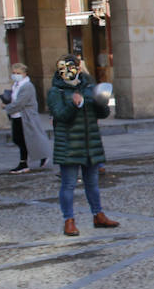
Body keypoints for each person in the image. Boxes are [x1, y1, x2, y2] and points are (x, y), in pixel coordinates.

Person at [47, 54, 119, 237]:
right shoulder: (57, 91)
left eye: (72, 68)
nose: (67, 72)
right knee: (69, 184)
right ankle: (69, 220)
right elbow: (61, 115)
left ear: (79, 68)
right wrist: (74, 105)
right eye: (63, 69)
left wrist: (102, 103)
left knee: (92, 183)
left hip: (90, 142)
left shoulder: (88, 86)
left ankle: (98, 215)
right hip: (69, 144)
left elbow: (102, 114)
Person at [2, 63, 51, 174]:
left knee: (25, 139)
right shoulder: (16, 85)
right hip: (17, 116)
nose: (15, 75)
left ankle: (24, 163)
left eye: (18, 73)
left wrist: (7, 107)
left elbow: (20, 103)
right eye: (14, 73)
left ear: (24, 73)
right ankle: (41, 156)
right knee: (19, 139)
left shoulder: (27, 86)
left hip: (26, 117)